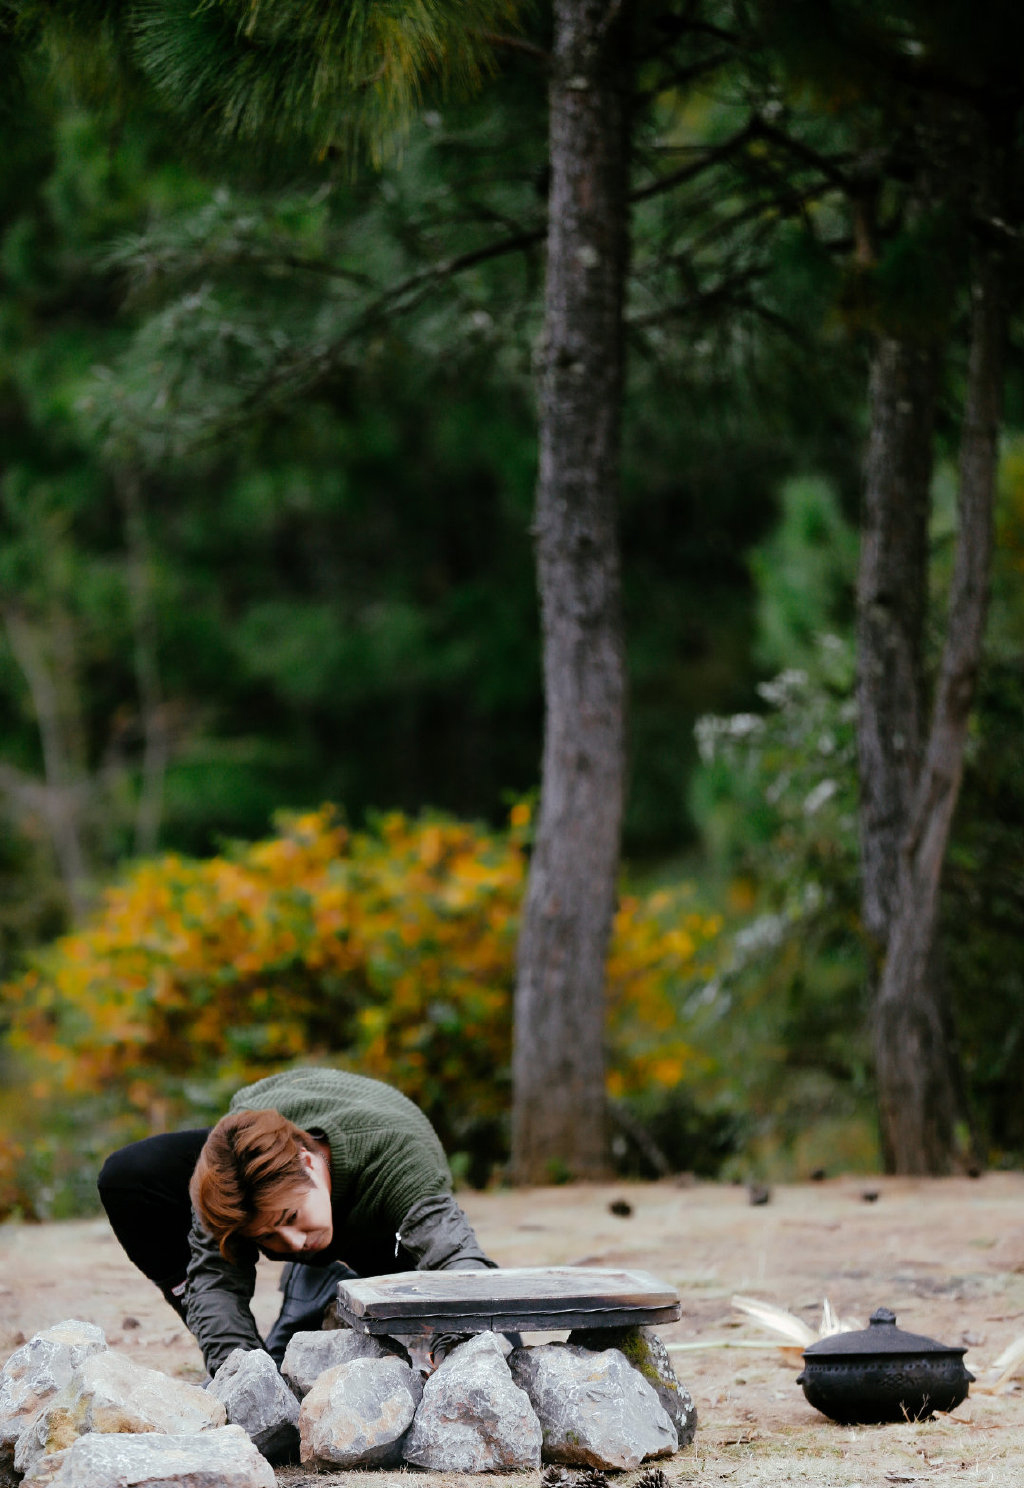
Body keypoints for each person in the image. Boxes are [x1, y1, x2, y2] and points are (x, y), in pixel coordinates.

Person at [97, 1066, 496, 1377]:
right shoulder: (231, 1170)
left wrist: (458, 1356)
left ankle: (329, 1286)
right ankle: (281, 1326)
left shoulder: (399, 1162)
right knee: (130, 1176)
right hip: (275, 1159)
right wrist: (243, 1374)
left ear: (308, 1164)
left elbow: (461, 1267)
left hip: (379, 1226)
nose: (292, 1243)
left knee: (490, 1337)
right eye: (268, 1237)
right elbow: (215, 1280)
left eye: (291, 1218)